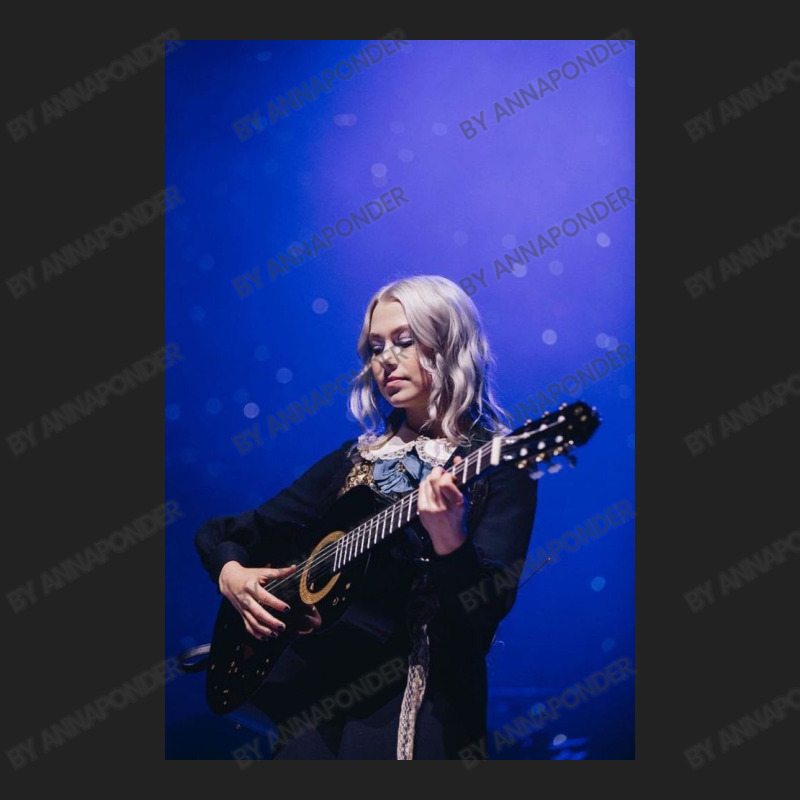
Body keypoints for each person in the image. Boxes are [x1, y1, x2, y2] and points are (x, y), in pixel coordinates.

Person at [194, 274, 539, 760]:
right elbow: (227, 533)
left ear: (449, 344)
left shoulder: (499, 466)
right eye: (376, 347)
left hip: (423, 709)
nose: (386, 361)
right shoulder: (353, 458)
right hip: (316, 706)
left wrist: (449, 542)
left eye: (404, 341)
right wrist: (231, 574)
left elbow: (482, 613)